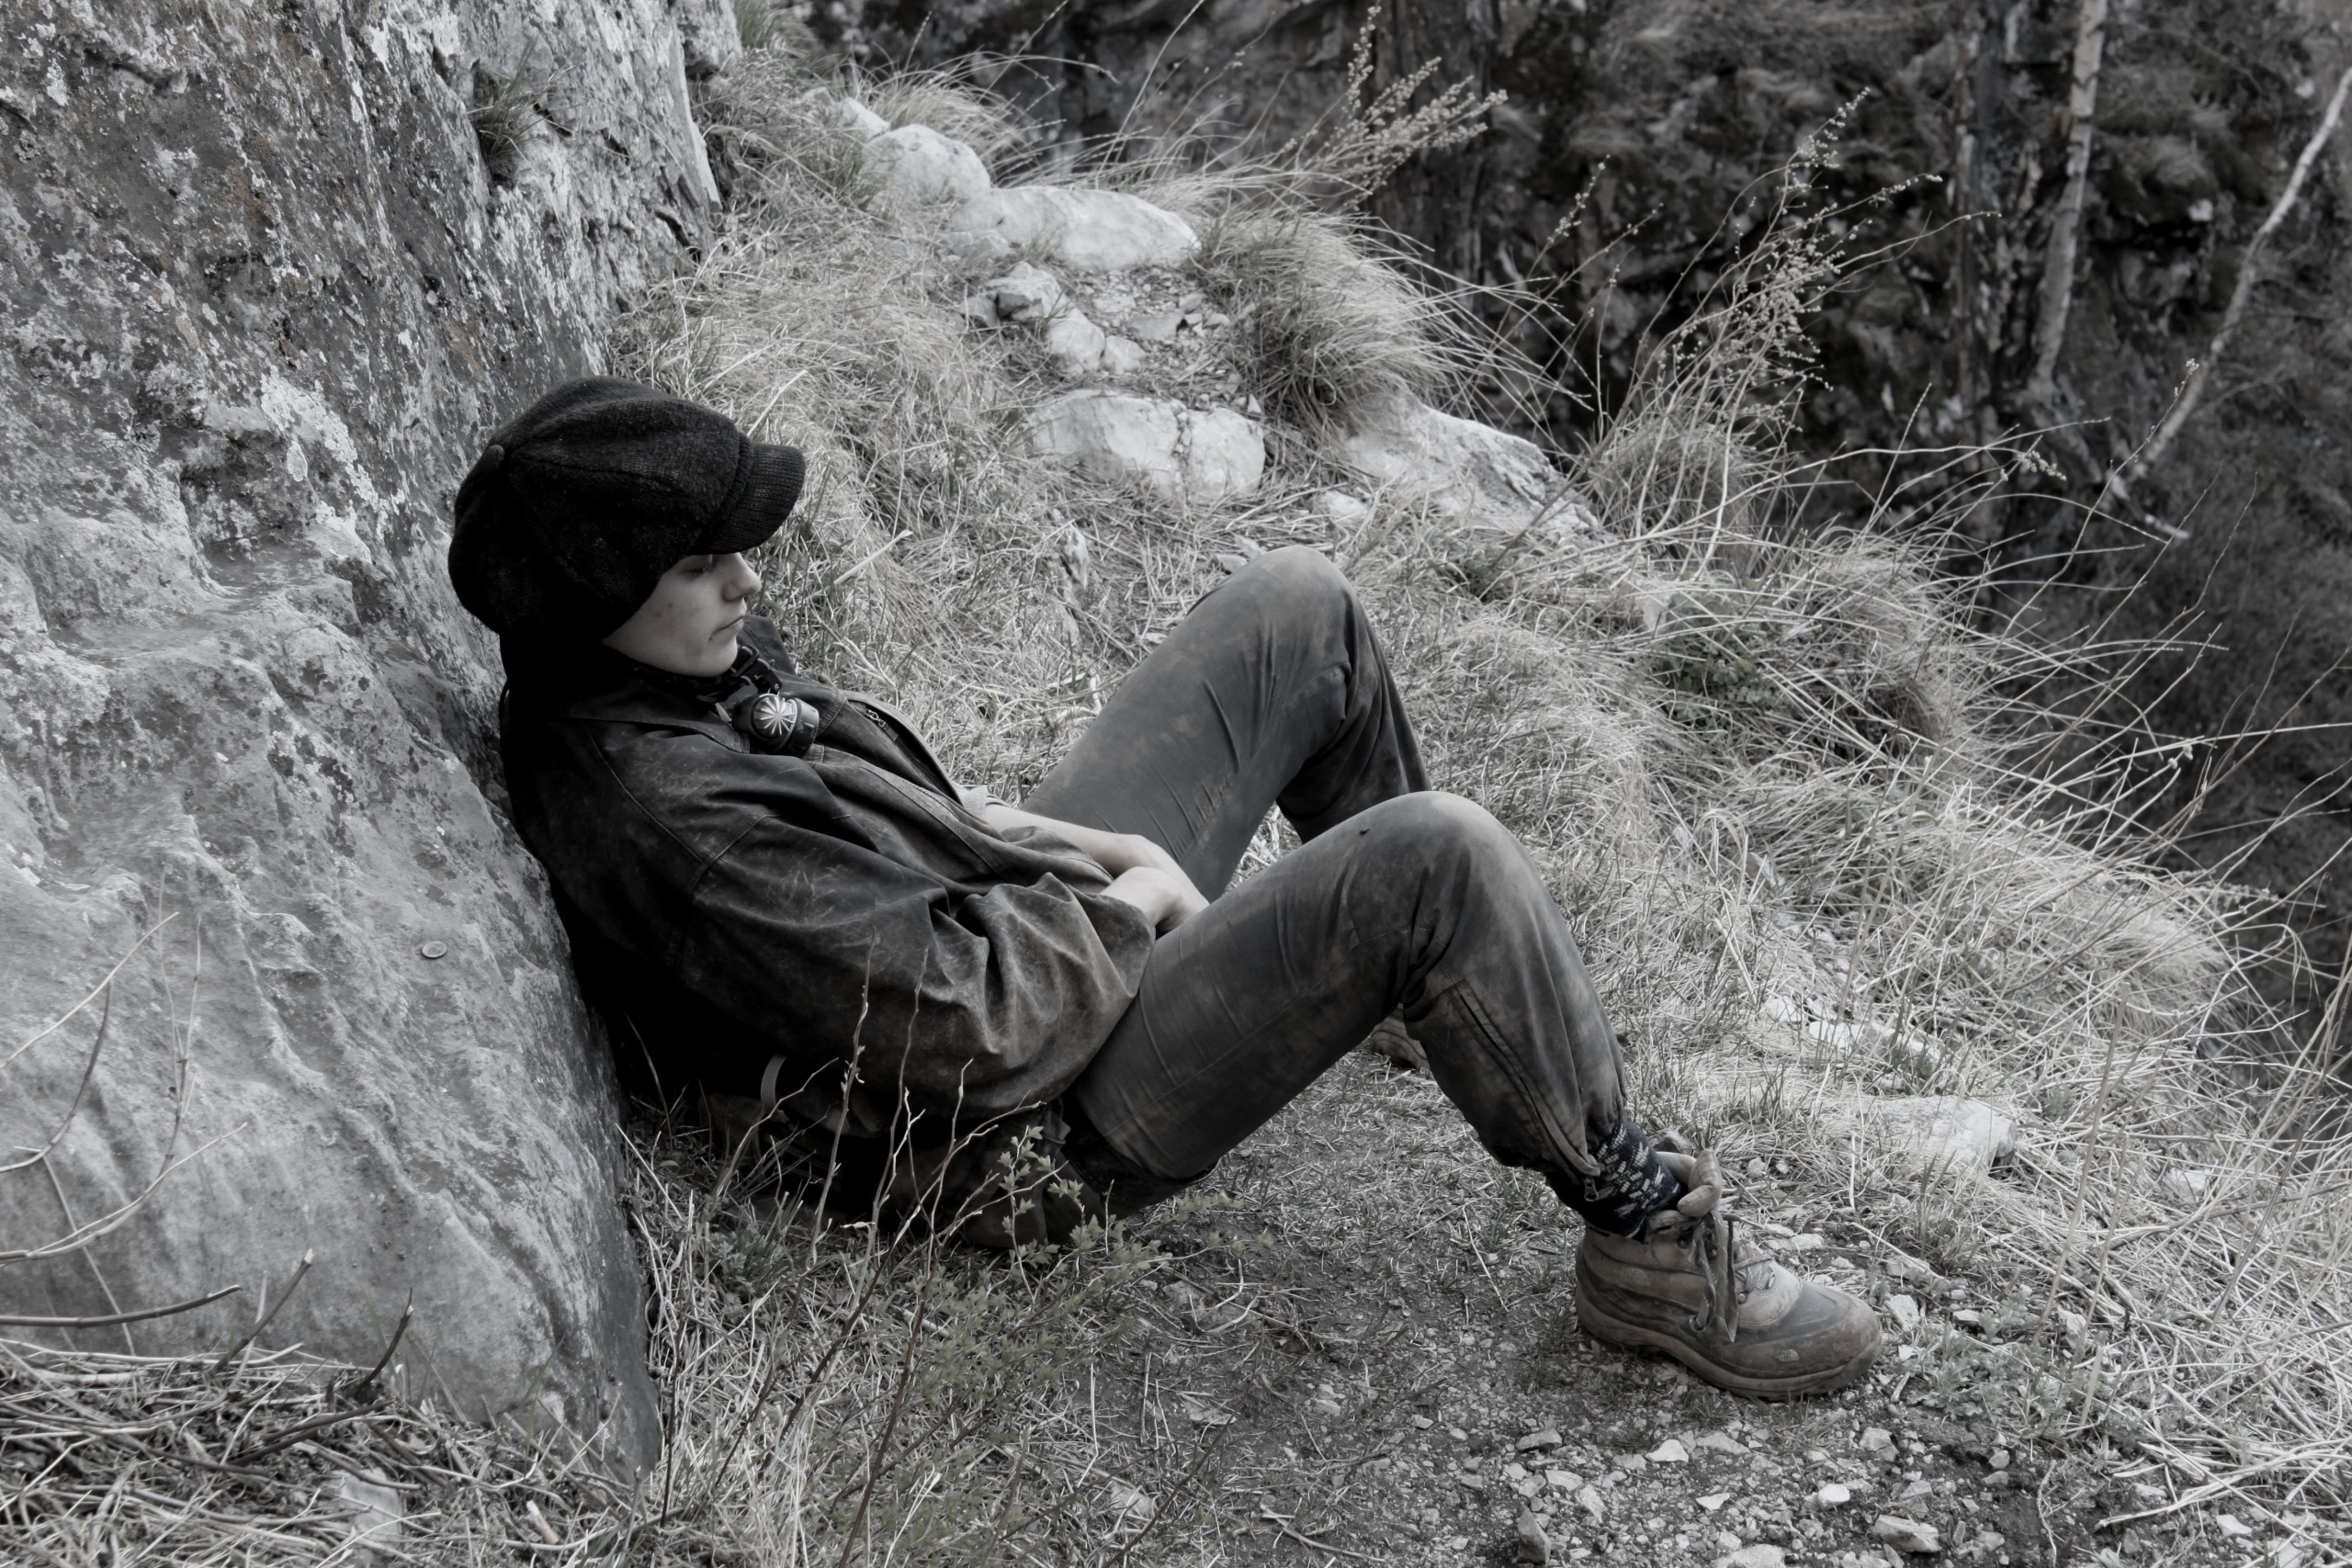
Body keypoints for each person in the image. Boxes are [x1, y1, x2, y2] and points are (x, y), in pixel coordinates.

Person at [449, 377, 1882, 1397]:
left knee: (1297, 609)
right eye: (707, 563)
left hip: (1015, 937)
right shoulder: (670, 817)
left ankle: (1421, 982)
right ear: (600, 595)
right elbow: (971, 1030)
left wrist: (1066, 848)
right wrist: (1129, 900)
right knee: (1438, 854)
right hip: (1019, 1137)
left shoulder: (650, 673)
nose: (748, 583)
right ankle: (1647, 1247)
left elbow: (909, 820)